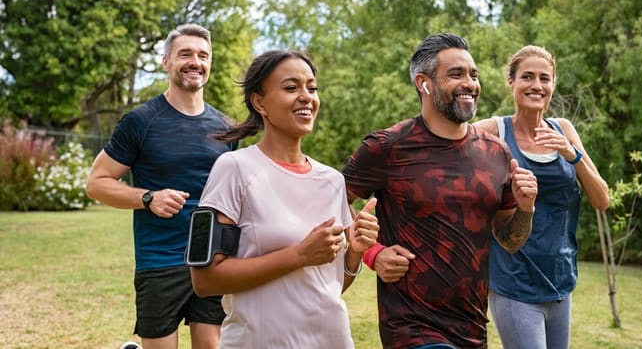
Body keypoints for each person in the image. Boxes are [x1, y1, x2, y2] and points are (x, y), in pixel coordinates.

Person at [342, 33, 539, 349]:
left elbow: (509, 240)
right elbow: (330, 201)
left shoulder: (496, 153)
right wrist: (372, 253)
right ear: (424, 83)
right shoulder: (387, 148)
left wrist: (526, 208)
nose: (470, 83)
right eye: (456, 74)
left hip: (471, 329)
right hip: (410, 328)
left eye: (473, 75)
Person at [188, 50, 380, 348]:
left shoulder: (332, 181)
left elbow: (329, 286)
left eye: (312, 88)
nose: (306, 97)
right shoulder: (234, 169)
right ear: (259, 102)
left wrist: (353, 252)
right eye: (291, 88)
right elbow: (205, 281)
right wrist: (300, 255)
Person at [86, 24, 237, 349]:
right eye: (185, 54)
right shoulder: (141, 121)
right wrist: (148, 197)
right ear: (166, 61)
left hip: (211, 258)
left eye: (203, 55)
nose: (195, 62)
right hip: (160, 260)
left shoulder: (226, 129)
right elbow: (96, 183)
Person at [473, 45, 610, 349]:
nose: (537, 86)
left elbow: (602, 199)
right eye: (527, 77)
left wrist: (571, 154)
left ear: (553, 84)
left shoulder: (564, 130)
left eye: (545, 79)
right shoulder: (493, 131)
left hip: (560, 281)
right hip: (515, 283)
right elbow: (445, 144)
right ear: (511, 82)